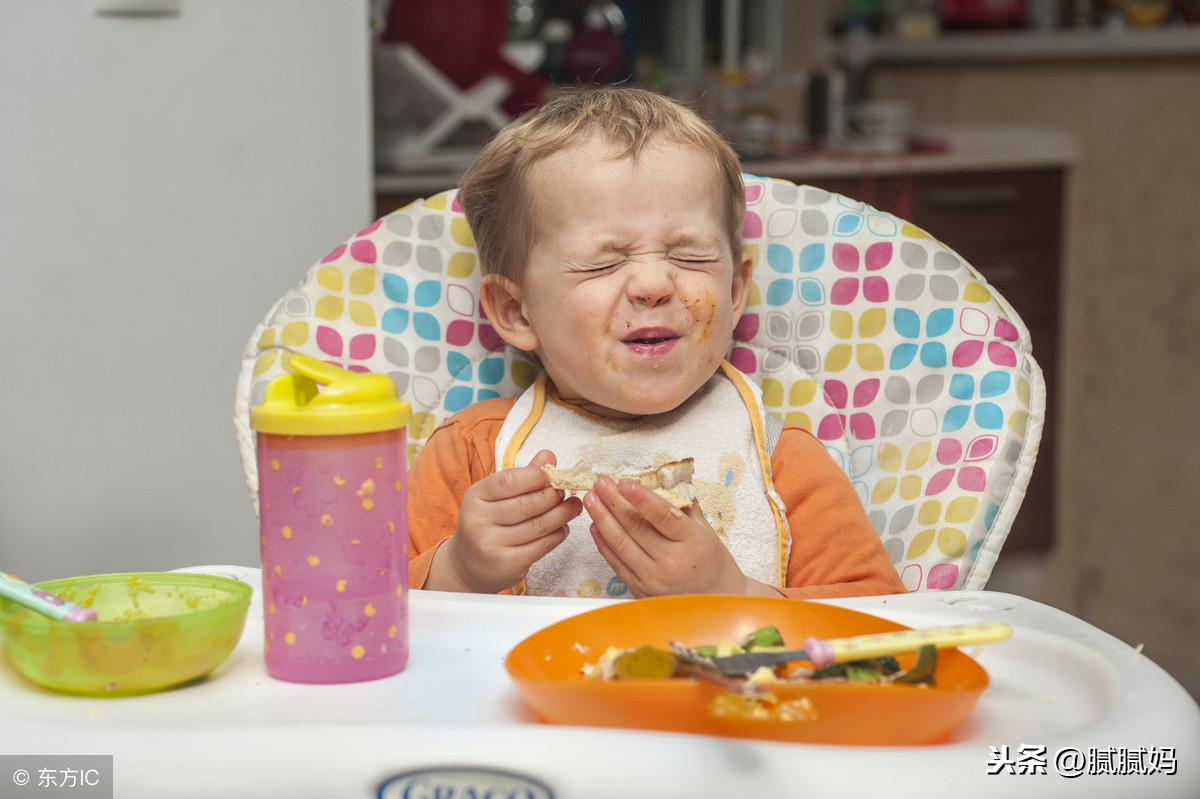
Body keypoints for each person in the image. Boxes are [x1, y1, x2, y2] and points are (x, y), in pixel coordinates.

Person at [406, 86, 906, 599]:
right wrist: (460, 572)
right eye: (603, 261)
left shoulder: (782, 460)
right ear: (516, 311)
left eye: (690, 256)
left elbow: (883, 622)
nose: (653, 284)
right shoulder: (470, 455)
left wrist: (728, 593)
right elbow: (376, 623)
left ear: (735, 291)